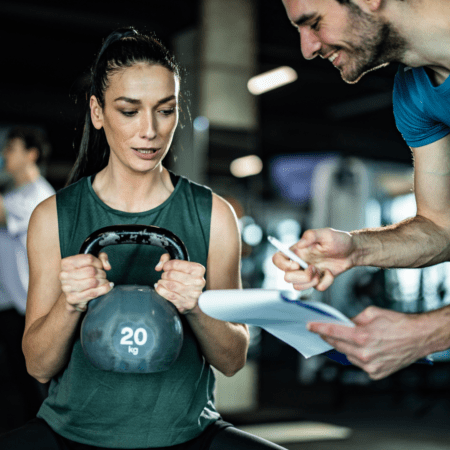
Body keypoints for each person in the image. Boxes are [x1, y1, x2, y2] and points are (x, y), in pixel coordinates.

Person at [0, 28, 287, 450]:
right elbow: (39, 367)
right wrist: (71, 303)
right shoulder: (52, 217)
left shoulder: (215, 215)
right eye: (129, 111)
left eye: (165, 110)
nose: (150, 130)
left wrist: (195, 307)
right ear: (98, 113)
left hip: (188, 434)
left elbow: (232, 360)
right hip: (71, 434)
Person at [272, 0, 450, 380]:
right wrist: (356, 248)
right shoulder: (414, 91)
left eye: (314, 22)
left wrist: (429, 332)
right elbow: (441, 226)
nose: (307, 48)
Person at [0, 127, 55, 429]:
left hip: (28, 311)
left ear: (31, 154)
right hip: (8, 306)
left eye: (11, 148)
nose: (5, 154)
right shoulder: (13, 194)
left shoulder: (40, 198)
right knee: (17, 396)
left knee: (35, 395)